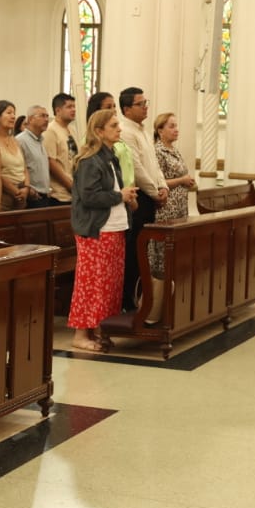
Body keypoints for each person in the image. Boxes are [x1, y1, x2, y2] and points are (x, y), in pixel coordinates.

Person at [69, 109, 137, 352]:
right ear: (99, 131)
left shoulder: (111, 156)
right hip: (96, 229)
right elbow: (89, 197)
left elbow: (114, 190)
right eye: (113, 125)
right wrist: (120, 196)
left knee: (110, 285)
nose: (119, 129)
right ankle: (80, 334)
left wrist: (127, 199)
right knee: (92, 283)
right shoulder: (90, 160)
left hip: (115, 226)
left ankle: (100, 328)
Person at [117, 87, 168, 311]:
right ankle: (128, 298)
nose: (146, 107)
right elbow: (136, 168)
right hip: (140, 196)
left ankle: (140, 295)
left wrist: (163, 185)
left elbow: (153, 164)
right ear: (127, 109)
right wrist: (155, 192)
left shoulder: (144, 131)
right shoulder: (126, 132)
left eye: (146, 102)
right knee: (134, 249)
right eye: (140, 103)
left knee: (143, 249)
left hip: (150, 195)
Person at [146, 113, 197, 323]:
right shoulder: (157, 151)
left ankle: (171, 301)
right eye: (171, 126)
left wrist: (188, 182)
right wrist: (182, 180)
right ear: (160, 130)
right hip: (166, 208)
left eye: (176, 126)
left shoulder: (174, 150)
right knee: (162, 254)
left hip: (179, 208)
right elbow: (157, 180)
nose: (176, 130)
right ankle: (156, 304)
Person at [0, 100, 31, 211]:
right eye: (9, 113)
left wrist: (26, 188)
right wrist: (16, 191)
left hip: (22, 195)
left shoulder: (15, 140)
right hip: (5, 196)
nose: (13, 116)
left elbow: (24, 168)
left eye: (14, 113)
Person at [43, 92, 78, 203]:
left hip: (75, 190)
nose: (73, 110)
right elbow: (51, 162)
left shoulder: (72, 130)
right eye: (69, 107)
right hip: (59, 194)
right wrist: (71, 186)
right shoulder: (50, 130)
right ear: (58, 110)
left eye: (74, 106)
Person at [17, 105, 54, 207]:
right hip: (32, 196)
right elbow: (19, 169)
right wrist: (29, 190)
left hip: (45, 196)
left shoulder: (40, 140)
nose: (46, 120)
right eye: (42, 116)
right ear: (30, 119)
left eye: (47, 116)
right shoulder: (21, 140)